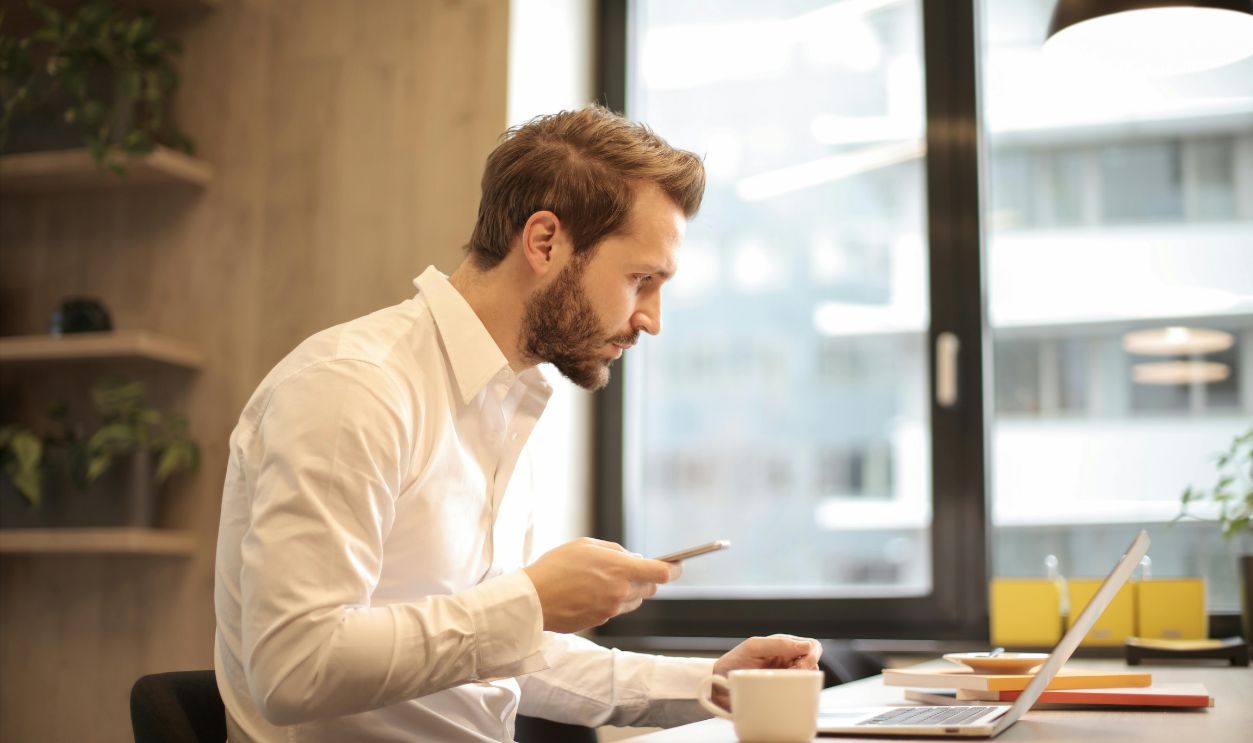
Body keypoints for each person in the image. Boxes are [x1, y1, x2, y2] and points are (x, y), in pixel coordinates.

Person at [213, 105, 822, 743]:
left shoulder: (504, 405)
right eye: (641, 279)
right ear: (544, 242)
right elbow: (293, 668)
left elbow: (493, 653)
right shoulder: (352, 388)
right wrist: (529, 601)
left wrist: (713, 685)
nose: (652, 319)